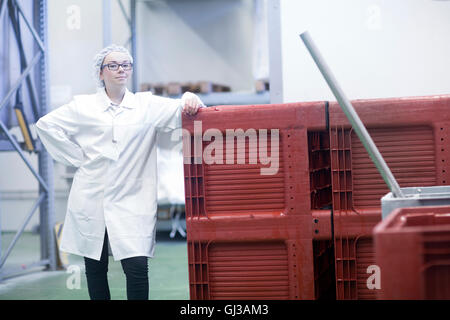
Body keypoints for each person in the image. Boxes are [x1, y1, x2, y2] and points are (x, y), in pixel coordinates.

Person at [35, 44, 205, 300]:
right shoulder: (83, 107)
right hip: (92, 198)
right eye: (113, 65)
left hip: (132, 199)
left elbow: (184, 111)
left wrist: (190, 97)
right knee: (95, 265)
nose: (121, 70)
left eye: (126, 65)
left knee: (136, 266)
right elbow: (46, 125)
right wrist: (76, 157)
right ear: (100, 72)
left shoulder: (145, 106)